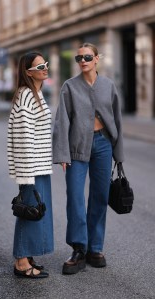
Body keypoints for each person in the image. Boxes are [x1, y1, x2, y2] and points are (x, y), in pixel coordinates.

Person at [53, 43, 124, 275]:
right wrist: (62, 153)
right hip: (76, 148)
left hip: (103, 144)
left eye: (87, 57)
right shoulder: (69, 87)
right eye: (78, 57)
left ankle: (95, 248)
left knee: (100, 197)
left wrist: (118, 154)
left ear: (96, 59)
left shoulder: (108, 86)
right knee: (75, 197)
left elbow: (117, 119)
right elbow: (62, 121)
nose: (82, 60)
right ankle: (78, 248)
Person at [7, 52, 54, 279]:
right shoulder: (27, 95)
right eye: (40, 66)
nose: (46, 68)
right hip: (31, 167)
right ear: (28, 72)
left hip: (39, 165)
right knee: (28, 211)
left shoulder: (36, 93)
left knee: (35, 211)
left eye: (46, 64)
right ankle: (21, 262)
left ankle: (28, 255)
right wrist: (26, 174)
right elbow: (24, 137)